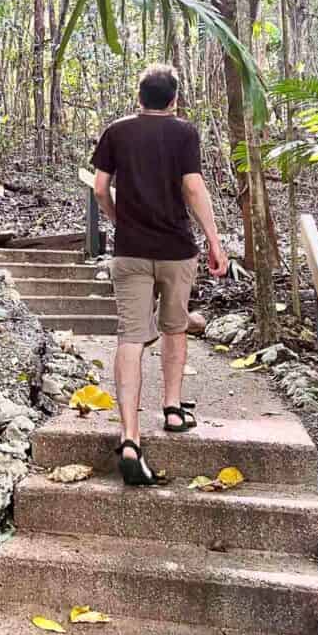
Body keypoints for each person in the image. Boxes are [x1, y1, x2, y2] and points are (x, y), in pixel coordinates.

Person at [91, 64, 228, 486]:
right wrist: (214, 240)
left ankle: (130, 437)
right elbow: (193, 187)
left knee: (131, 338)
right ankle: (171, 409)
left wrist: (118, 221)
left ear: (139, 96)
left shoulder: (116, 131)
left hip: (130, 251)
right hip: (175, 251)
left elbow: (99, 187)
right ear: (173, 99)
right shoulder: (184, 133)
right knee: (174, 328)